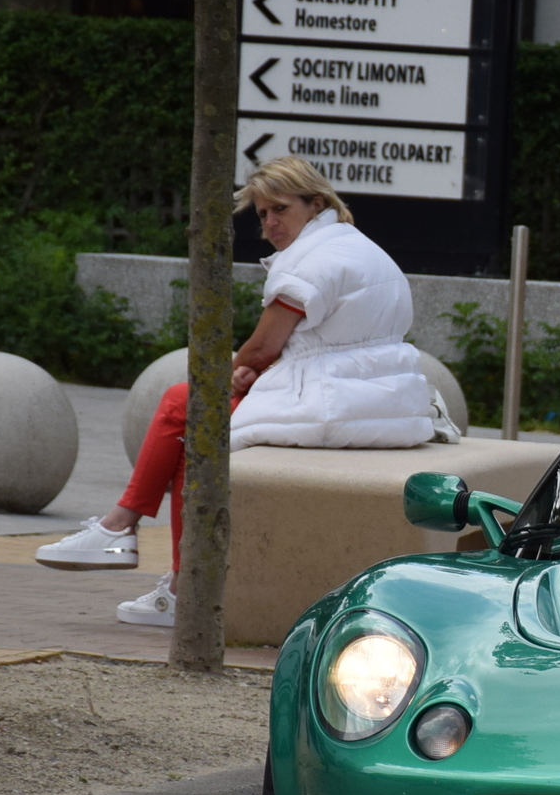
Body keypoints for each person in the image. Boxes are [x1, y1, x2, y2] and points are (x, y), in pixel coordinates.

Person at [35, 157, 445, 626]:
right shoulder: (359, 248)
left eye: (280, 209)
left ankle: (144, 551)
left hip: (333, 400)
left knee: (184, 408)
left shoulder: (313, 262)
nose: (269, 223)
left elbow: (263, 346)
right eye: (262, 213)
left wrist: (236, 372)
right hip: (378, 400)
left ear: (316, 204)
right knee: (192, 421)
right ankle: (142, 549)